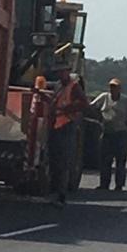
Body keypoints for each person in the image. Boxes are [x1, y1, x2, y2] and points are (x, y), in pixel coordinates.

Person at [91, 78, 127, 191]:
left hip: (121, 133)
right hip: (107, 132)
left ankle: (119, 185)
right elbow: (92, 106)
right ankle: (104, 184)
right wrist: (99, 118)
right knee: (105, 160)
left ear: (119, 89)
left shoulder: (125, 101)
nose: (112, 89)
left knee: (120, 160)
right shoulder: (104, 97)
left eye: (115, 87)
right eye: (111, 87)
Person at [48, 66, 88, 207]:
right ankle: (55, 194)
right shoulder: (59, 86)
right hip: (56, 125)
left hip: (67, 125)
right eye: (58, 72)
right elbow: (54, 102)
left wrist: (67, 109)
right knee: (54, 161)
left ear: (67, 72)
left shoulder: (74, 86)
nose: (60, 74)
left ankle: (61, 196)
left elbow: (84, 103)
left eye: (62, 72)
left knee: (63, 162)